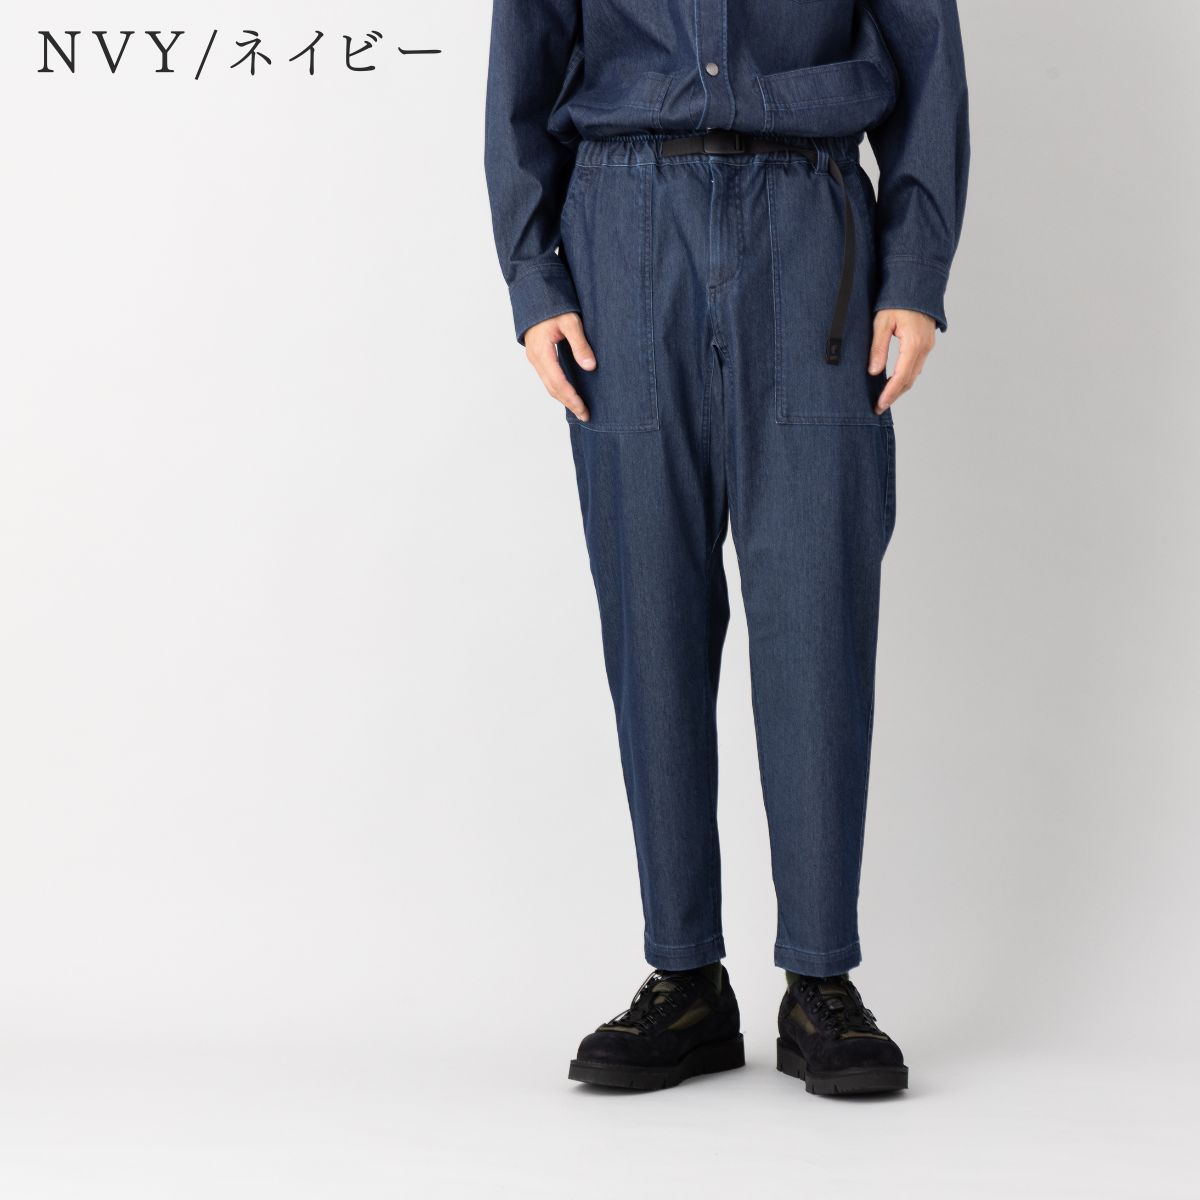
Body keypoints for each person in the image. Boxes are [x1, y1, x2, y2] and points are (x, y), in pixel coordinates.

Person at [484, 0, 969, 1095]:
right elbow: (522, 71)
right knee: (649, 615)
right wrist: (534, 277)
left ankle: (821, 980)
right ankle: (684, 975)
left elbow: (929, 67)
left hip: (811, 229)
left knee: (816, 613)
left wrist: (914, 272)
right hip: (623, 229)